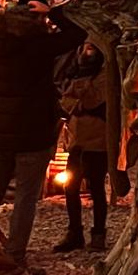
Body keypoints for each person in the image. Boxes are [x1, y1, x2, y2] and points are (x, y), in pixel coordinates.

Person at [0, 0, 85, 264]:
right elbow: (77, 33)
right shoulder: (40, 44)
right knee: (25, 198)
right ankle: (15, 255)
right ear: (37, 17)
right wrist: (53, 11)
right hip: (34, 133)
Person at [54, 42, 109, 254]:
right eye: (84, 48)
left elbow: (93, 101)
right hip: (77, 140)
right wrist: (77, 101)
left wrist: (79, 100)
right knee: (71, 187)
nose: (87, 52)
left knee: (96, 188)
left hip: (97, 141)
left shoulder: (104, 76)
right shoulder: (75, 72)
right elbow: (67, 102)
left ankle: (98, 234)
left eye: (91, 48)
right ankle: (74, 232)